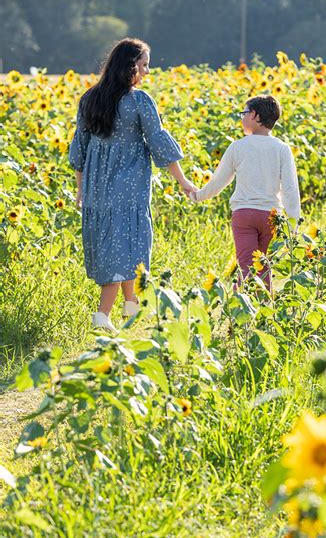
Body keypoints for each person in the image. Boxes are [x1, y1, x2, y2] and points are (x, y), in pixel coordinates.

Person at [69, 38, 196, 332]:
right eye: (144, 65)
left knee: (114, 243)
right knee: (128, 243)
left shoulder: (89, 99)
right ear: (130, 68)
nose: (147, 72)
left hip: (97, 187)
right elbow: (159, 142)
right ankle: (103, 314)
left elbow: (80, 149)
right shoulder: (139, 101)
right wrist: (183, 180)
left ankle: (131, 305)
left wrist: (81, 189)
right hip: (128, 185)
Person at [191, 95, 300, 291]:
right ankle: (265, 314)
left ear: (254, 115)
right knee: (264, 269)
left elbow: (218, 182)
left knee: (246, 268)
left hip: (244, 215)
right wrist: (293, 224)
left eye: (243, 113)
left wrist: (198, 195)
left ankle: (242, 311)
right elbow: (290, 190)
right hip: (272, 217)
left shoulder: (238, 147)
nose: (241, 118)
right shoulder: (282, 149)